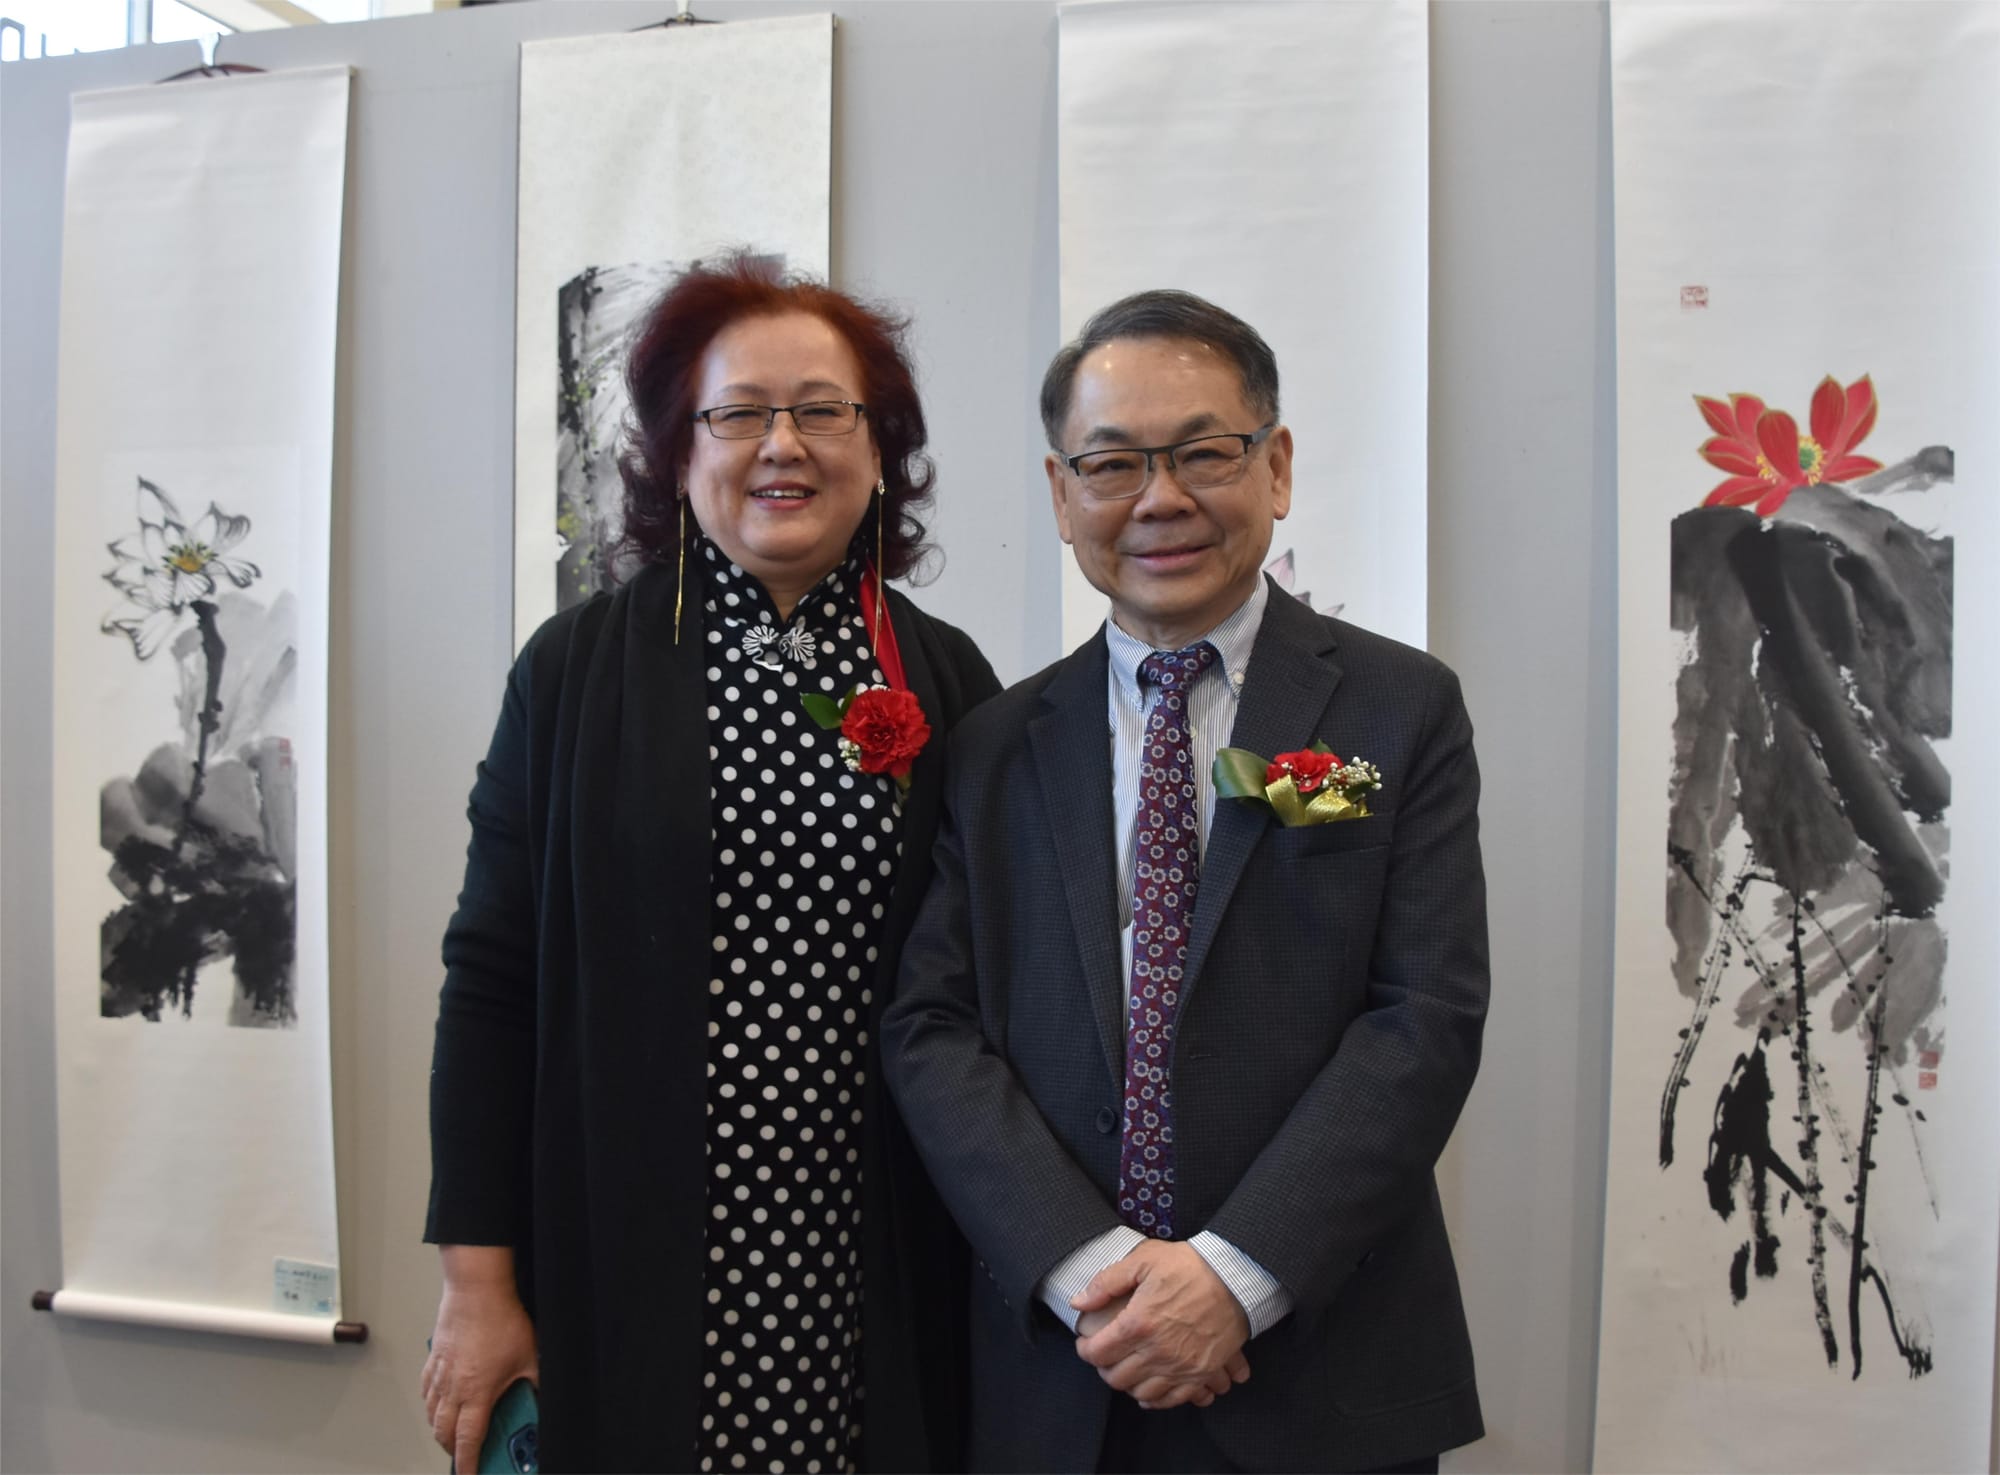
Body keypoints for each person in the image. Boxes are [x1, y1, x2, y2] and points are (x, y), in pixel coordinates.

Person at [881, 290, 1488, 1473]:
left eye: (1203, 452)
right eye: (1111, 463)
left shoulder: (1398, 707)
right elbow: (930, 1028)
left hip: (1319, 1358)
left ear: (1276, 466)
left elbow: (1423, 1014)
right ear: (1061, 495)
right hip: (1067, 1370)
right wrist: (1092, 1270)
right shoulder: (994, 743)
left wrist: (1231, 1276)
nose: (1159, 498)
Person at [421, 254, 1000, 1474]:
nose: (781, 444)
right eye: (736, 414)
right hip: (626, 1240)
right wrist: (476, 1282)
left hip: (874, 1250)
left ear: (879, 449)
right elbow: (490, 981)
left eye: (823, 410)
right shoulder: (572, 673)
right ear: (679, 455)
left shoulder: (948, 680)